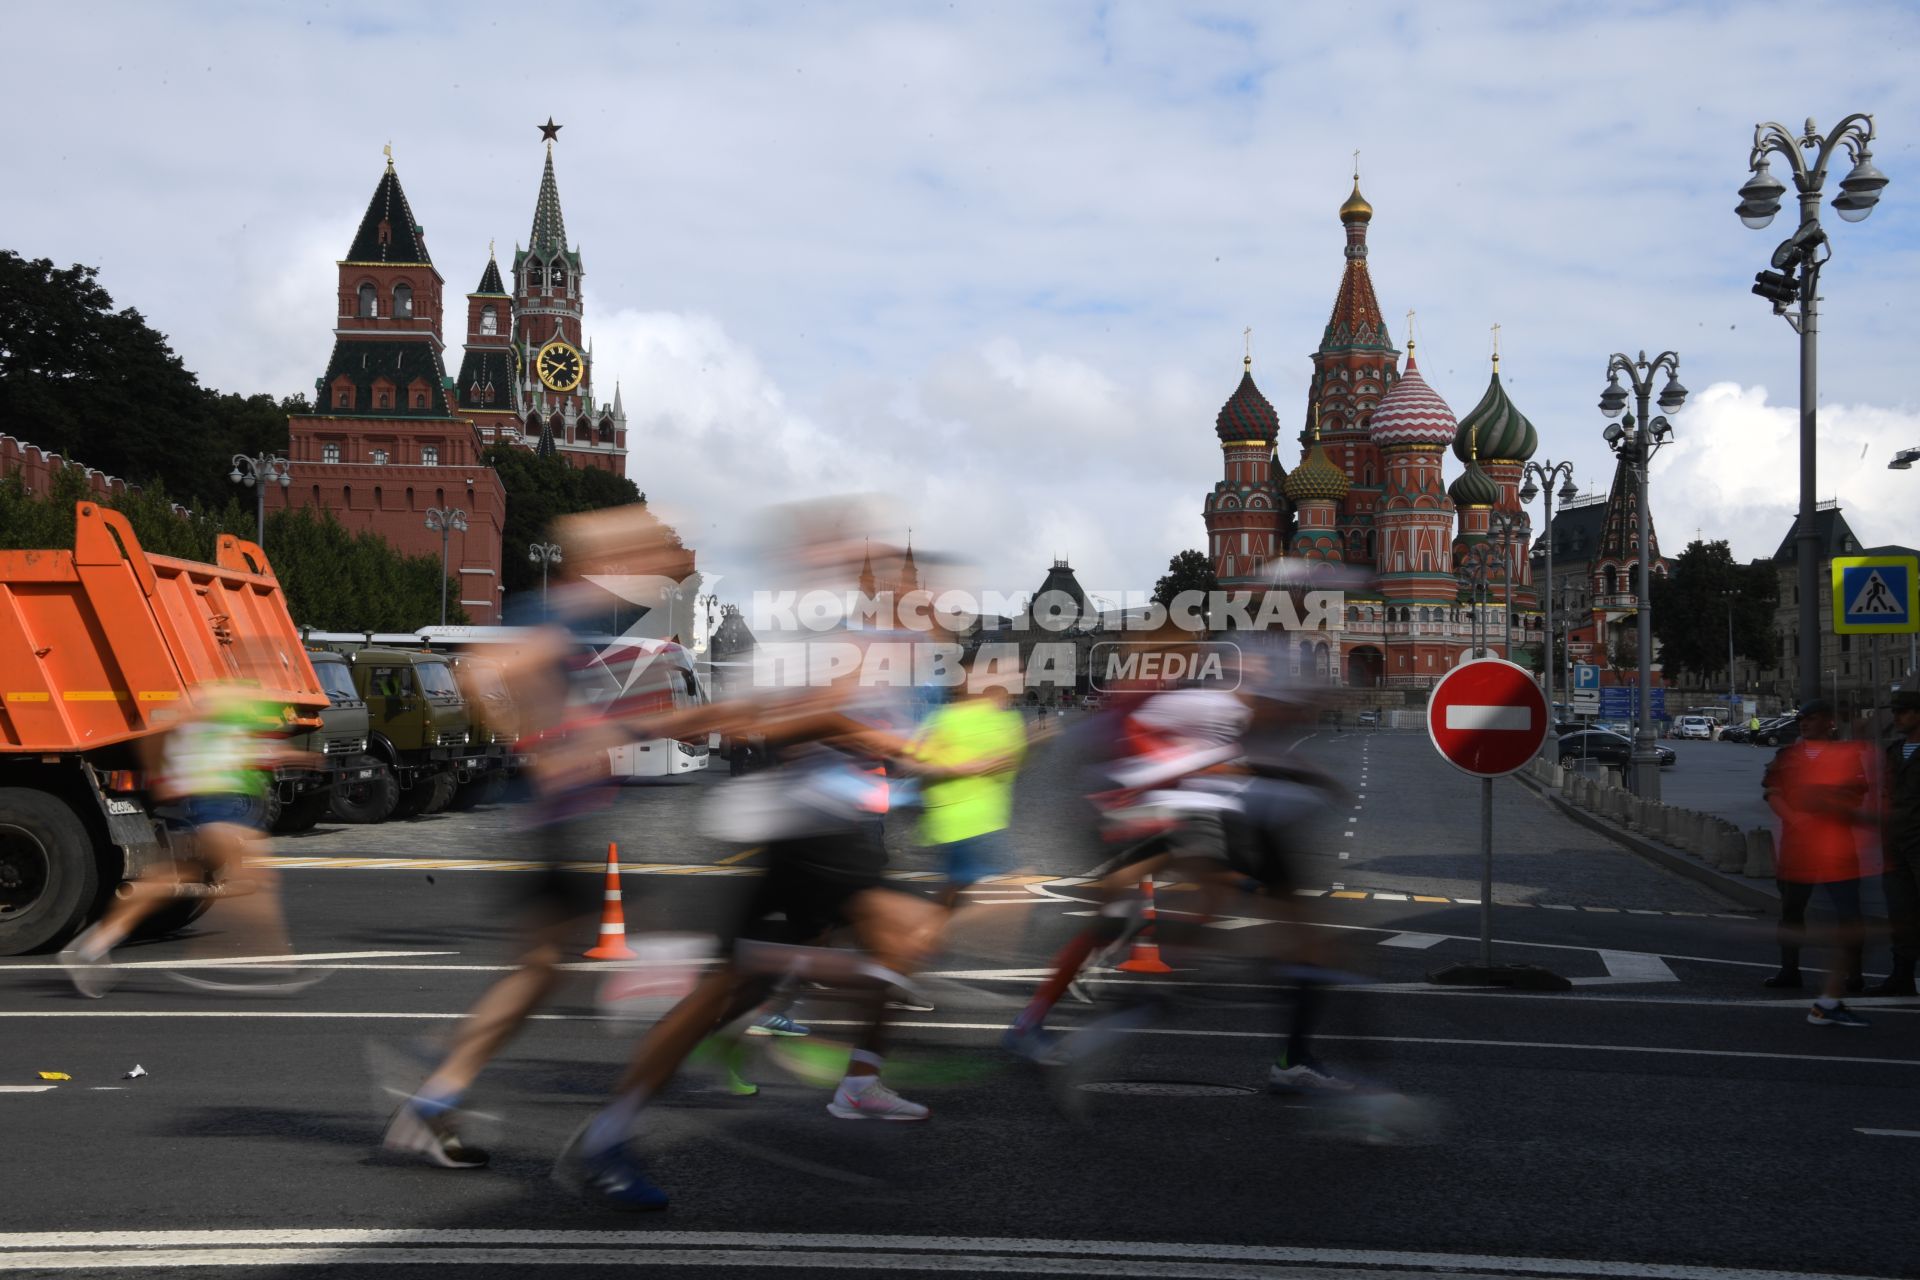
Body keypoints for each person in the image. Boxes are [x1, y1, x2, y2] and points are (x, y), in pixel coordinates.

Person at [59, 681, 311, 997]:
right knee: (250, 877)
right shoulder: (219, 699)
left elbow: (244, 746)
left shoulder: (235, 701)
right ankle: (257, 964)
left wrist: (295, 758)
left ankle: (92, 946)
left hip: (220, 799)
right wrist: (163, 775)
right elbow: (165, 733)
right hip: (212, 800)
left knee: (171, 878)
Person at [1761, 699, 1877, 1025]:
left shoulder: (1846, 756)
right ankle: (1789, 969)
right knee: (1792, 912)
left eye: (1812, 719)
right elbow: (1771, 790)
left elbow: (1856, 792)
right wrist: (1795, 818)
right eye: (1802, 719)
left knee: (1848, 914)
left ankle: (1853, 975)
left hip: (1836, 846)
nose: (1804, 723)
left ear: (1829, 723)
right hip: (1797, 846)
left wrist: (1826, 804)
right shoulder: (1788, 756)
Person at [1867, 690, 1920, 996]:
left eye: (1903, 712)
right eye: (1895, 712)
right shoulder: (1894, 751)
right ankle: (1901, 976)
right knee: (1900, 912)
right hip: (1896, 843)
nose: (1896, 717)